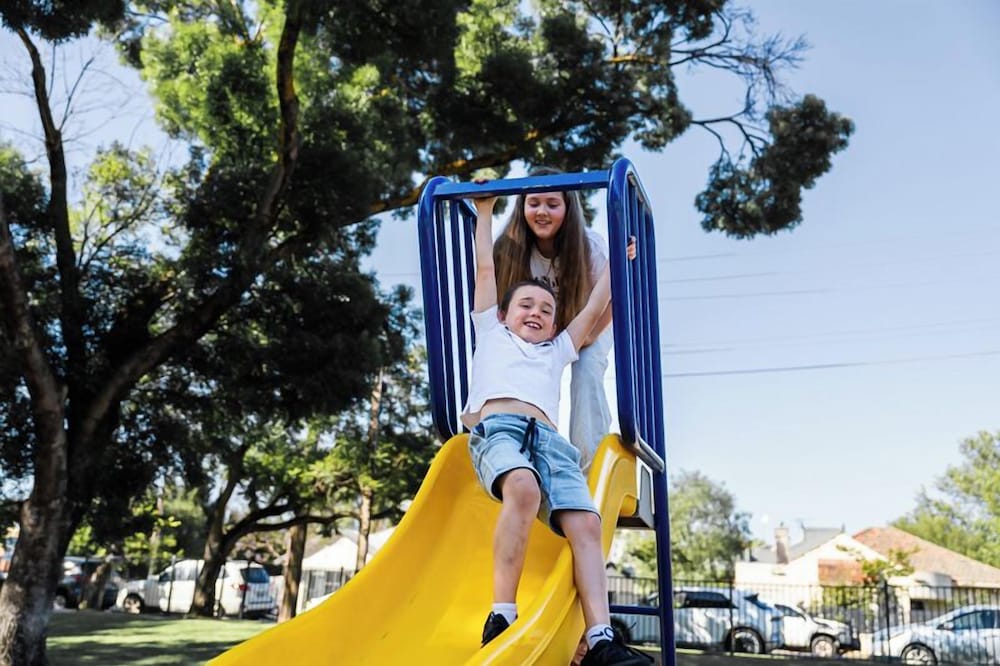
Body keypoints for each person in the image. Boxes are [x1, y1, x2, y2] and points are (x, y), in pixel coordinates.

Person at [463, 190, 651, 665]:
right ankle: (502, 614)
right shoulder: (491, 331)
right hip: (500, 431)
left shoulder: (557, 349)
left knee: (586, 520)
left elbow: (592, 312)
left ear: (554, 327)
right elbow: (486, 270)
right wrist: (484, 213)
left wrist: (621, 267)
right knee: (523, 489)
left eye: (546, 311)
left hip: (550, 443)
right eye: (525, 305)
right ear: (503, 314)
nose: (536, 314)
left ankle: (603, 638)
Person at [493, 167, 632, 471]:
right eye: (534, 203)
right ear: (522, 207)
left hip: (591, 320)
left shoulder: (588, 247)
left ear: (567, 209)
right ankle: (516, 453)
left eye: (552, 204)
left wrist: (589, 338)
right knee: (519, 368)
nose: (542, 212)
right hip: (536, 327)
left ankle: (588, 464)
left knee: (587, 368)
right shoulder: (509, 249)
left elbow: (613, 299)